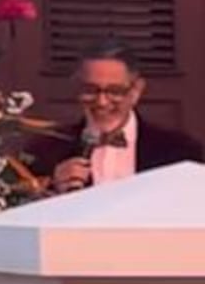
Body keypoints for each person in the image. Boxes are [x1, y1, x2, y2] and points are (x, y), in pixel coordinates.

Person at [29, 42, 205, 192]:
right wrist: (50, 186)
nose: (102, 102)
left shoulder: (180, 151)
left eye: (115, 91)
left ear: (136, 91)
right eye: (91, 90)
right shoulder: (45, 151)